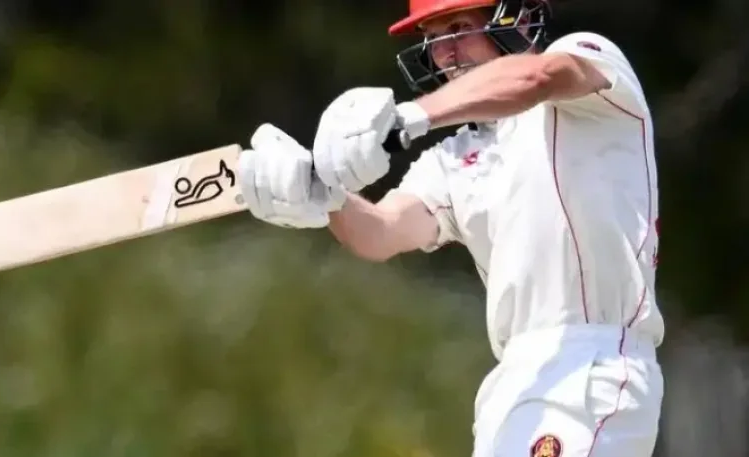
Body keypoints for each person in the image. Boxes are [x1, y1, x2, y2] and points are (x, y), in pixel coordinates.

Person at [237, 0, 665, 455]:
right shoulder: (456, 158)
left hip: (592, 365)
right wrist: (323, 197)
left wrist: (410, 117)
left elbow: (533, 78)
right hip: (513, 383)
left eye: (459, 28)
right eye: (432, 38)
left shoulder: (588, 64)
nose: (446, 53)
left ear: (513, 18)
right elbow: (380, 232)